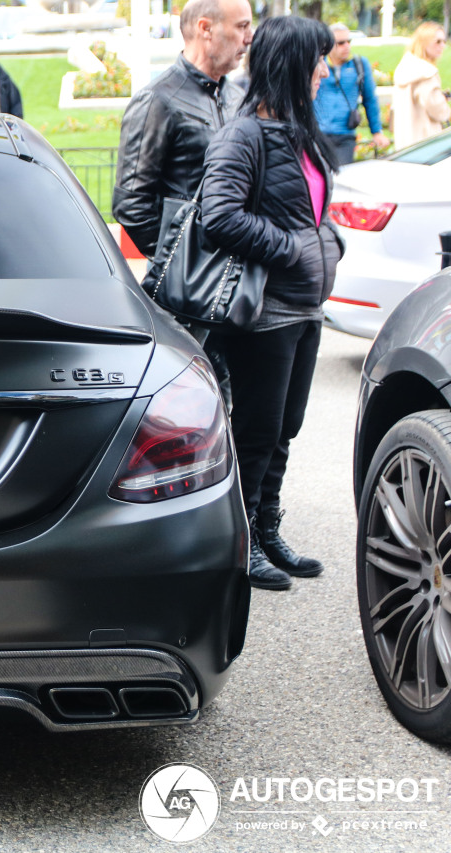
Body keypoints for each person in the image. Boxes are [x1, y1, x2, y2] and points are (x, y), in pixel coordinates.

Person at [199, 16, 343, 591]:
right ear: (291, 63)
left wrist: (330, 241)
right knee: (257, 431)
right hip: (265, 314)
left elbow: (313, 210)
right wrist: (292, 249)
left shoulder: (298, 131)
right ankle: (244, 543)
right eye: (317, 59)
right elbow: (220, 216)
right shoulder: (245, 135)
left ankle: (268, 526)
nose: (324, 70)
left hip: (306, 309)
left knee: (286, 427)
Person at [114, 0, 252, 260]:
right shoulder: (157, 100)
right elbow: (131, 204)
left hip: (236, 272)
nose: (249, 38)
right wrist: (180, 263)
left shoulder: (237, 96)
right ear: (205, 28)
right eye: (242, 26)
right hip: (190, 285)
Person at [313, 23, 387, 165]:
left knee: (340, 176)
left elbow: (370, 99)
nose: (346, 46)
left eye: (348, 41)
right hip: (318, 134)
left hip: (345, 135)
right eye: (340, 43)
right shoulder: (319, 66)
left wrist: (376, 131)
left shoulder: (358, 65)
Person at [392, 22, 450, 150]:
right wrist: (446, 109)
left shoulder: (406, 66)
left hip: (405, 143)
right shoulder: (426, 72)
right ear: (424, 42)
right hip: (426, 143)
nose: (442, 46)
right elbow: (438, 109)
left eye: (444, 41)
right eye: (437, 42)